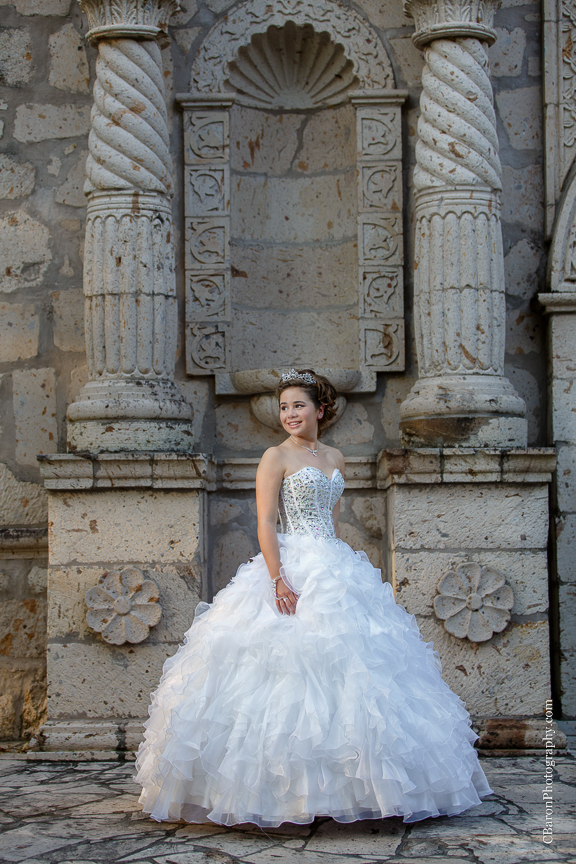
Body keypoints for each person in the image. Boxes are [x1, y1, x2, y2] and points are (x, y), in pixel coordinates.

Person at [135, 369, 493, 827]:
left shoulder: (335, 456)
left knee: (357, 675)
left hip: (333, 564)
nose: (289, 414)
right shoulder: (275, 456)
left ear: (319, 409)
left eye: (298, 405)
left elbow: (334, 519)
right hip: (291, 563)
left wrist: (340, 567)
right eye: (284, 407)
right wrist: (278, 579)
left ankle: (350, 791)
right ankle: (281, 797)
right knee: (285, 672)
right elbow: (266, 522)